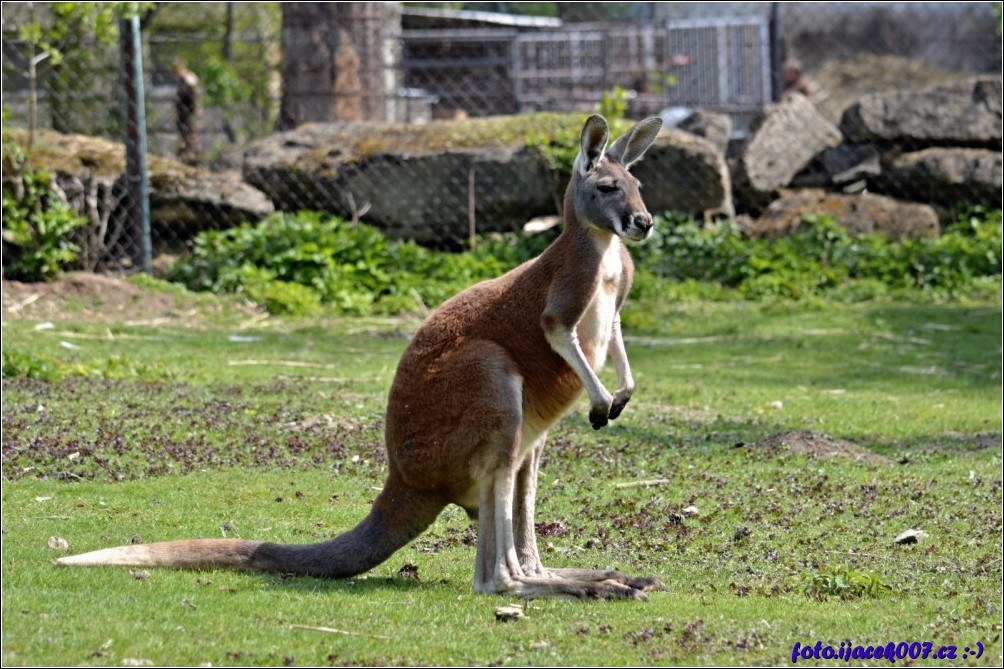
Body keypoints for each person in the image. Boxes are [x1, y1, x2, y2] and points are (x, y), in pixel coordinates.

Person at [173, 61, 201, 163]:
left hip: (190, 110)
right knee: (184, 132)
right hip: (183, 111)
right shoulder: (181, 80)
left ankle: (192, 154)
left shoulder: (189, 77)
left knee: (191, 133)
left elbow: (194, 90)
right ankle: (187, 153)